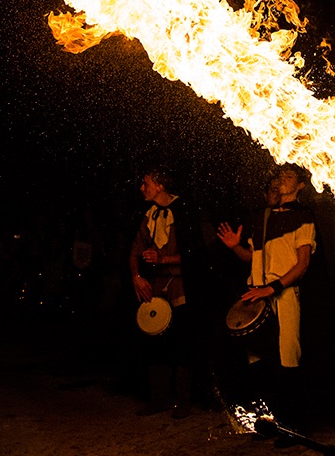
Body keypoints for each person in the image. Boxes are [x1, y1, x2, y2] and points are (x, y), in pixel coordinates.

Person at [216, 165, 317, 426]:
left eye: (290, 177)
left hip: (283, 295)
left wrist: (273, 288)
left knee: (287, 358)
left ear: (301, 186)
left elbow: (302, 264)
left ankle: (296, 424)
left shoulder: (304, 216)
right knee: (257, 359)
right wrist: (235, 246)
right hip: (257, 295)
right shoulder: (261, 217)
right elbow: (251, 258)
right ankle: (272, 421)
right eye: (280, 175)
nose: (282, 179)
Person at [130, 167, 200, 418]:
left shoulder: (185, 211)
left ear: (160, 186)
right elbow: (135, 248)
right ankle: (158, 399)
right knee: (155, 341)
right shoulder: (149, 213)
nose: (142, 187)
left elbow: (195, 256)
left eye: (146, 182)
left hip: (180, 286)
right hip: (156, 287)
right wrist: (136, 276)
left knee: (182, 343)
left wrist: (163, 259)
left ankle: (183, 402)